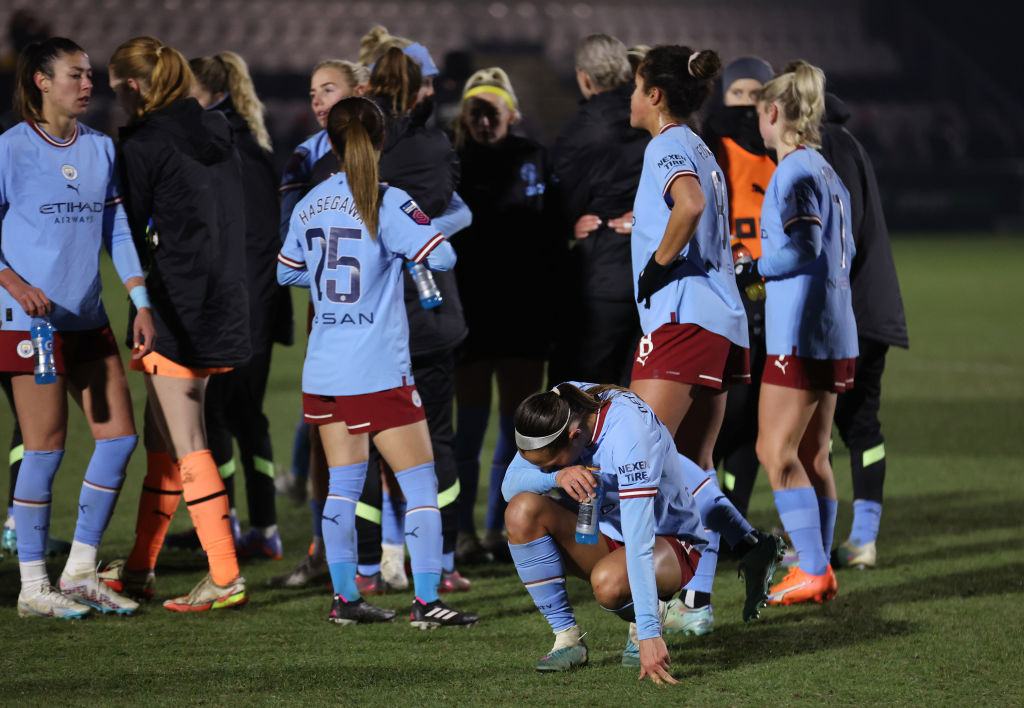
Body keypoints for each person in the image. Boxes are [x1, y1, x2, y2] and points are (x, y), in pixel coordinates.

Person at [277, 95, 477, 628]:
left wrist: (331, 285)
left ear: (333, 143)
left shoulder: (310, 202)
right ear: (381, 139)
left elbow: (287, 273)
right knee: (420, 486)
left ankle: (345, 600)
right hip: (379, 371)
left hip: (324, 368)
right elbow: (443, 255)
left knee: (342, 485)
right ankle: (427, 601)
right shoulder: (388, 201)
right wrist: (416, 246)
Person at [627, 45, 783, 632]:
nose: (631, 96)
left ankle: (644, 618)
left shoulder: (666, 145)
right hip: (722, 321)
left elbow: (686, 206)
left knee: (634, 465)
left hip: (682, 321)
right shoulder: (702, 149)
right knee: (693, 464)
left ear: (657, 95)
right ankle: (697, 603)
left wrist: (657, 264)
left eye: (638, 86)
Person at [0, 37, 156, 618]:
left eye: (90, 75)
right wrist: (13, 284)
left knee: (118, 438)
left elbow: (117, 231)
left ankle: (82, 570)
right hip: (28, 322)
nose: (88, 84)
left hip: (88, 315)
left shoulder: (99, 148)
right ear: (41, 81)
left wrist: (139, 300)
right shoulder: (10, 149)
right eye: (75, 74)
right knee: (45, 448)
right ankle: (33, 588)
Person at [97, 36, 250, 612]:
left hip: (173, 307)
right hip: (222, 301)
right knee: (163, 441)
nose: (111, 101)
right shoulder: (217, 132)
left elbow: (128, 230)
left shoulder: (142, 142)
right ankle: (139, 569)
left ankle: (225, 574)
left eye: (114, 89)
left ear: (133, 88)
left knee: (186, 442)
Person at [354, 44, 471, 594]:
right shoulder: (432, 145)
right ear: (421, 87)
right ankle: (443, 560)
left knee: (363, 441)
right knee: (437, 441)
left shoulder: (355, 147)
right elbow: (451, 210)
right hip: (428, 311)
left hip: (367, 316)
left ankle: (367, 567)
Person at [741, 61, 858, 604]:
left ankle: (811, 567)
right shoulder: (828, 172)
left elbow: (806, 246)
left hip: (800, 334)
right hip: (835, 330)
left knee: (774, 450)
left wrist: (754, 267)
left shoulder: (794, 171)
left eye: (757, 114)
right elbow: (843, 252)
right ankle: (822, 566)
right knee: (814, 455)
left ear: (772, 112)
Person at [502, 382, 707, 681]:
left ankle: (648, 614)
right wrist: (557, 475)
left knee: (609, 585)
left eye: (551, 465)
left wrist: (650, 634)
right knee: (521, 511)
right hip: (608, 533)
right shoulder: (559, 406)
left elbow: (639, 541)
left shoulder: (629, 436)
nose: (546, 470)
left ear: (574, 437)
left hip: (669, 540)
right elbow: (509, 485)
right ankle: (568, 639)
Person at [185, 50, 293, 560]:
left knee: (236, 416)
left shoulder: (232, 148)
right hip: (246, 307)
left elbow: (254, 243)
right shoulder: (237, 141)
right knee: (227, 415)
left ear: (205, 93)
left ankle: (255, 527)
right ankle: (230, 523)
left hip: (241, 311)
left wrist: (231, 312)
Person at [449, 67, 557, 564]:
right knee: (467, 430)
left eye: (494, 109)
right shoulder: (450, 163)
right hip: (470, 313)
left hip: (523, 313)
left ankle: (498, 528)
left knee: (516, 430)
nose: (486, 118)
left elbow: (553, 227)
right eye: (477, 110)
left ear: (512, 113)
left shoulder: (535, 158)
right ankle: (462, 530)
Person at [268, 58, 367, 590]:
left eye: (329, 90)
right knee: (326, 435)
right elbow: (290, 244)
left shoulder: (381, 149)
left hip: (384, 319)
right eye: (312, 94)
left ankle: (389, 552)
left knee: (387, 430)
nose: (318, 101)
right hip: (330, 316)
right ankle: (323, 549)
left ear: (358, 92)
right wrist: (338, 284)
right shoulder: (305, 157)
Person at [818, 90, 908, 569]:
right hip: (870, 312)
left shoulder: (828, 144)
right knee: (859, 427)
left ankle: (818, 545)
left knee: (812, 434)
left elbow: (841, 229)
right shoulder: (848, 140)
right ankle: (862, 540)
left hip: (843, 316)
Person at [549, 34, 647, 388]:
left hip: (599, 275)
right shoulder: (655, 118)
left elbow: (557, 205)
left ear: (584, 77)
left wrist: (566, 224)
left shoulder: (580, 132)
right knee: (636, 389)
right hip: (654, 274)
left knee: (576, 390)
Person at [703, 56, 776, 516]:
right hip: (730, 300)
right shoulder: (716, 148)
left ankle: (734, 518)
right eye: (738, 94)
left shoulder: (781, 150)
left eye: (756, 95)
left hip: (779, 303)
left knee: (754, 424)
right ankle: (708, 518)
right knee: (727, 417)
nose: (747, 105)